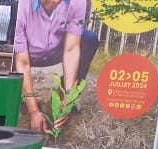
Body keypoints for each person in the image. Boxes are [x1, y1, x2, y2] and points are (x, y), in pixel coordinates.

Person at [13, 0, 99, 132]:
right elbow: (22, 63)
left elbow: (71, 49)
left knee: (89, 39)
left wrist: (69, 94)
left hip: (55, 50)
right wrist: (33, 111)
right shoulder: (21, 5)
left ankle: (65, 100)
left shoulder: (77, 2)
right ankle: (17, 99)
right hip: (24, 53)